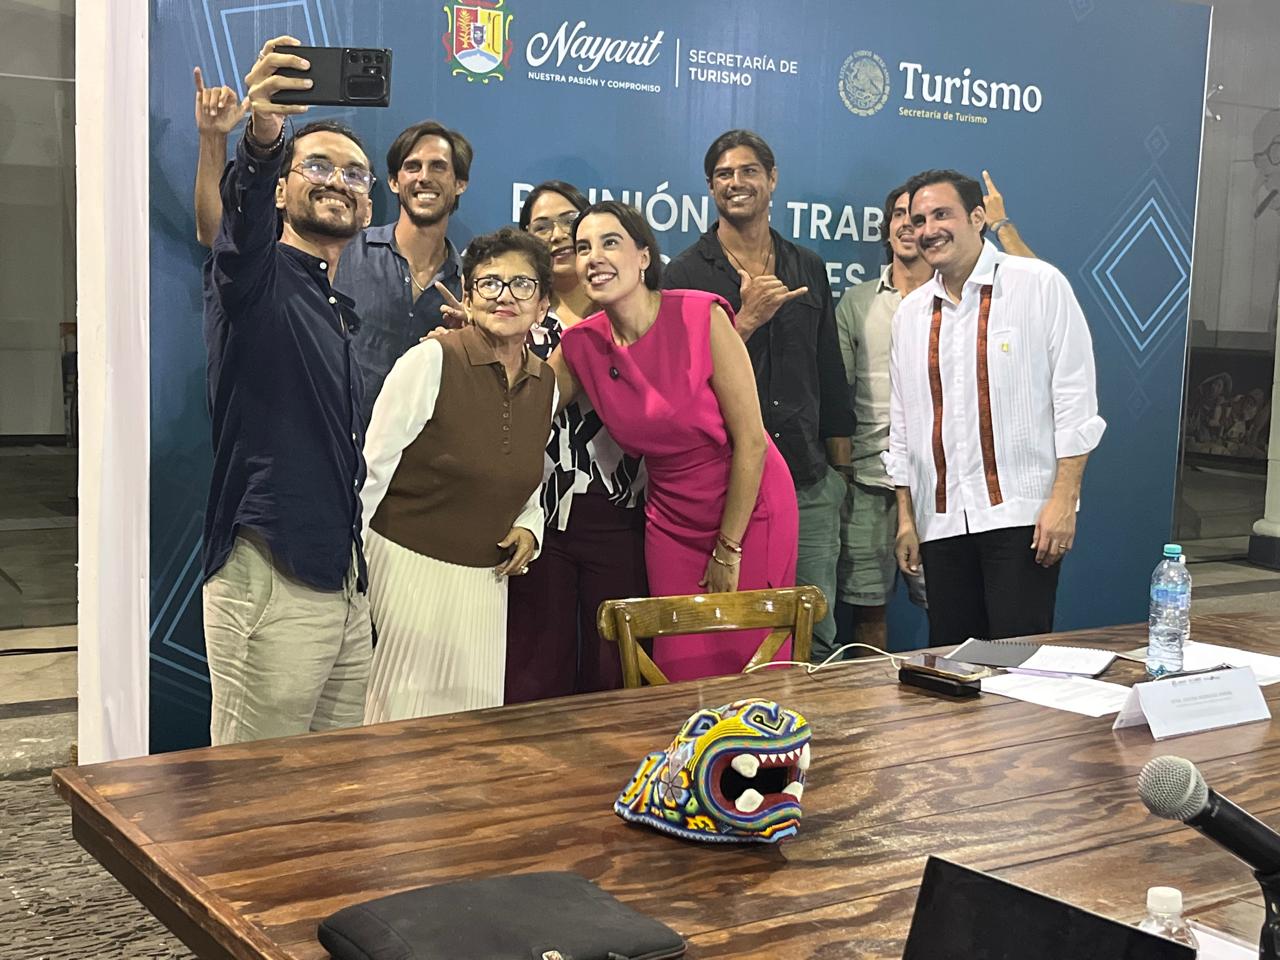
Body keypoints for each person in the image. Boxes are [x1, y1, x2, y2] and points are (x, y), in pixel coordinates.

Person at [201, 36, 374, 745]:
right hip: (271, 577)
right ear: (280, 190)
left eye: (355, 173)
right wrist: (265, 134)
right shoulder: (254, 277)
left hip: (342, 582)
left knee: (332, 790)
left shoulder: (335, 308)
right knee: (252, 793)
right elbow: (240, 225)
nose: (338, 181)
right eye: (318, 166)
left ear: (369, 206)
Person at [552, 201, 799, 682]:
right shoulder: (580, 345)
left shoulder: (701, 314)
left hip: (748, 506)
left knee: (750, 661)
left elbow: (751, 442)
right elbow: (526, 404)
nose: (594, 257)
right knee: (679, 664)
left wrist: (728, 547)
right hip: (670, 518)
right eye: (583, 248)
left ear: (643, 256)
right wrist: (481, 340)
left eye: (610, 243)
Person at [885, 169, 1106, 647]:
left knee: (1017, 664)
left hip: (1021, 518)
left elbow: (1075, 401)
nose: (928, 229)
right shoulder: (910, 314)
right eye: (919, 220)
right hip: (940, 520)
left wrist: (1064, 501)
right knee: (953, 663)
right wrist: (906, 519)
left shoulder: (1038, 284)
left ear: (977, 217)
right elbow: (902, 426)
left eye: (941, 214)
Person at [663, 130, 853, 664]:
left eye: (748, 171)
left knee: (816, 631)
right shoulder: (684, 273)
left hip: (808, 480)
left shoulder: (807, 266)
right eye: (724, 174)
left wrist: (841, 475)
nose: (736, 182)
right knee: (740, 635)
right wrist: (744, 322)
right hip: (725, 487)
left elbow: (829, 372)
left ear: (772, 179)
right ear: (710, 187)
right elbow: (679, 384)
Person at [361, 228, 556, 722]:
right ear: (468, 297)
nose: (505, 296)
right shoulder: (430, 360)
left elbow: (524, 472)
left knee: (469, 736)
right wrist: (350, 579)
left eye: (522, 284)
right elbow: (371, 472)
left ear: (543, 305)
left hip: (485, 587)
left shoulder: (547, 382)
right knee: (393, 729)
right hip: (403, 573)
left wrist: (530, 526)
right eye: (489, 283)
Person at [835, 171, 1032, 653]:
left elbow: (1038, 290)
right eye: (901, 215)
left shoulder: (974, 296)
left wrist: (1003, 225)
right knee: (869, 610)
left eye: (923, 216)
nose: (912, 225)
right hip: (871, 481)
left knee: (952, 608)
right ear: (888, 228)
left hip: (948, 487)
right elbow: (838, 397)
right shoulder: (858, 302)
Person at [191, 95, 470, 425]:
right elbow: (223, 236)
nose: (424, 177)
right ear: (394, 182)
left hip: (401, 450)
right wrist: (236, 139)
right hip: (320, 439)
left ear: (460, 184)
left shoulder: (469, 285)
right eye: (317, 168)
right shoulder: (336, 245)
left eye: (439, 166)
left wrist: (472, 344)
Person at [504, 182, 647, 702]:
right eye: (541, 226)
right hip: (537, 515)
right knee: (537, 666)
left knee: (615, 666)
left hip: (620, 512)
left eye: (569, 222)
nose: (558, 235)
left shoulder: (629, 313)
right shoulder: (515, 315)